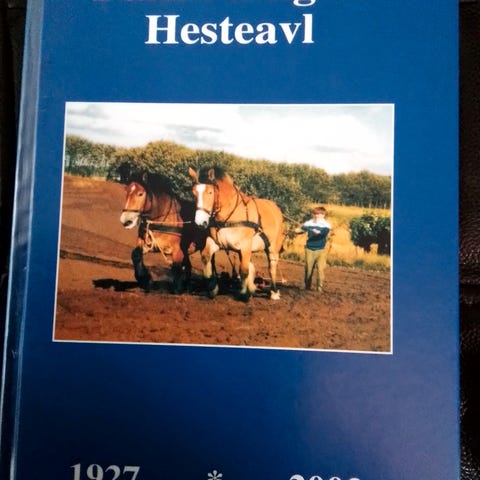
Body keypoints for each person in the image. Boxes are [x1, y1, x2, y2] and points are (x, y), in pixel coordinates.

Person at [295, 206, 331, 292]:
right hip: (309, 249)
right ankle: (307, 287)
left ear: (323, 215)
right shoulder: (309, 223)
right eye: (315, 214)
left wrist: (318, 232)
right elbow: (301, 230)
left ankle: (319, 288)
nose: (317, 216)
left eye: (319, 214)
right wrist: (297, 231)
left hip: (321, 250)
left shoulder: (326, 225)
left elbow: (323, 233)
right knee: (308, 269)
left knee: (320, 270)